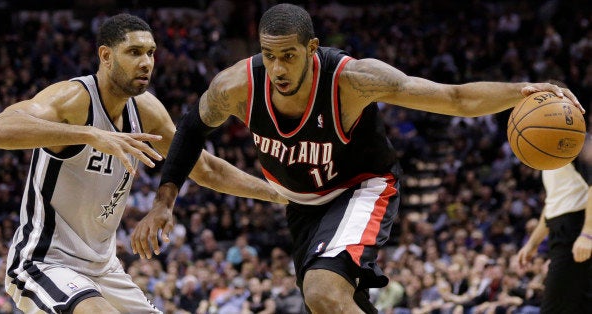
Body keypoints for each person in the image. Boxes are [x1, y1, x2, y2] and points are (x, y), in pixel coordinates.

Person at [130, 4, 583, 313]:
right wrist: (164, 201)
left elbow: (455, 98)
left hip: (360, 188)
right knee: (325, 304)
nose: (279, 68)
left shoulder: (353, 80)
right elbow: (191, 127)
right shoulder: (237, 86)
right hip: (300, 204)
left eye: (289, 56)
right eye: (270, 56)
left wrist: (523, 90)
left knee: (323, 292)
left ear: (311, 49)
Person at [0, 13, 285, 314]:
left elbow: (204, 167)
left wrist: (279, 194)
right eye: (134, 52)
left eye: (151, 53)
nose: (146, 62)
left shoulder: (147, 110)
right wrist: (89, 134)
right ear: (106, 56)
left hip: (104, 268)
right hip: (46, 260)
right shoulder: (73, 99)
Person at [516, 162, 592, 313]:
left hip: (576, 230)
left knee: (553, 308)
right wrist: (532, 243)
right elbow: (553, 202)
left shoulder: (575, 141)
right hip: (561, 231)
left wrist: (587, 233)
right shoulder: (548, 153)